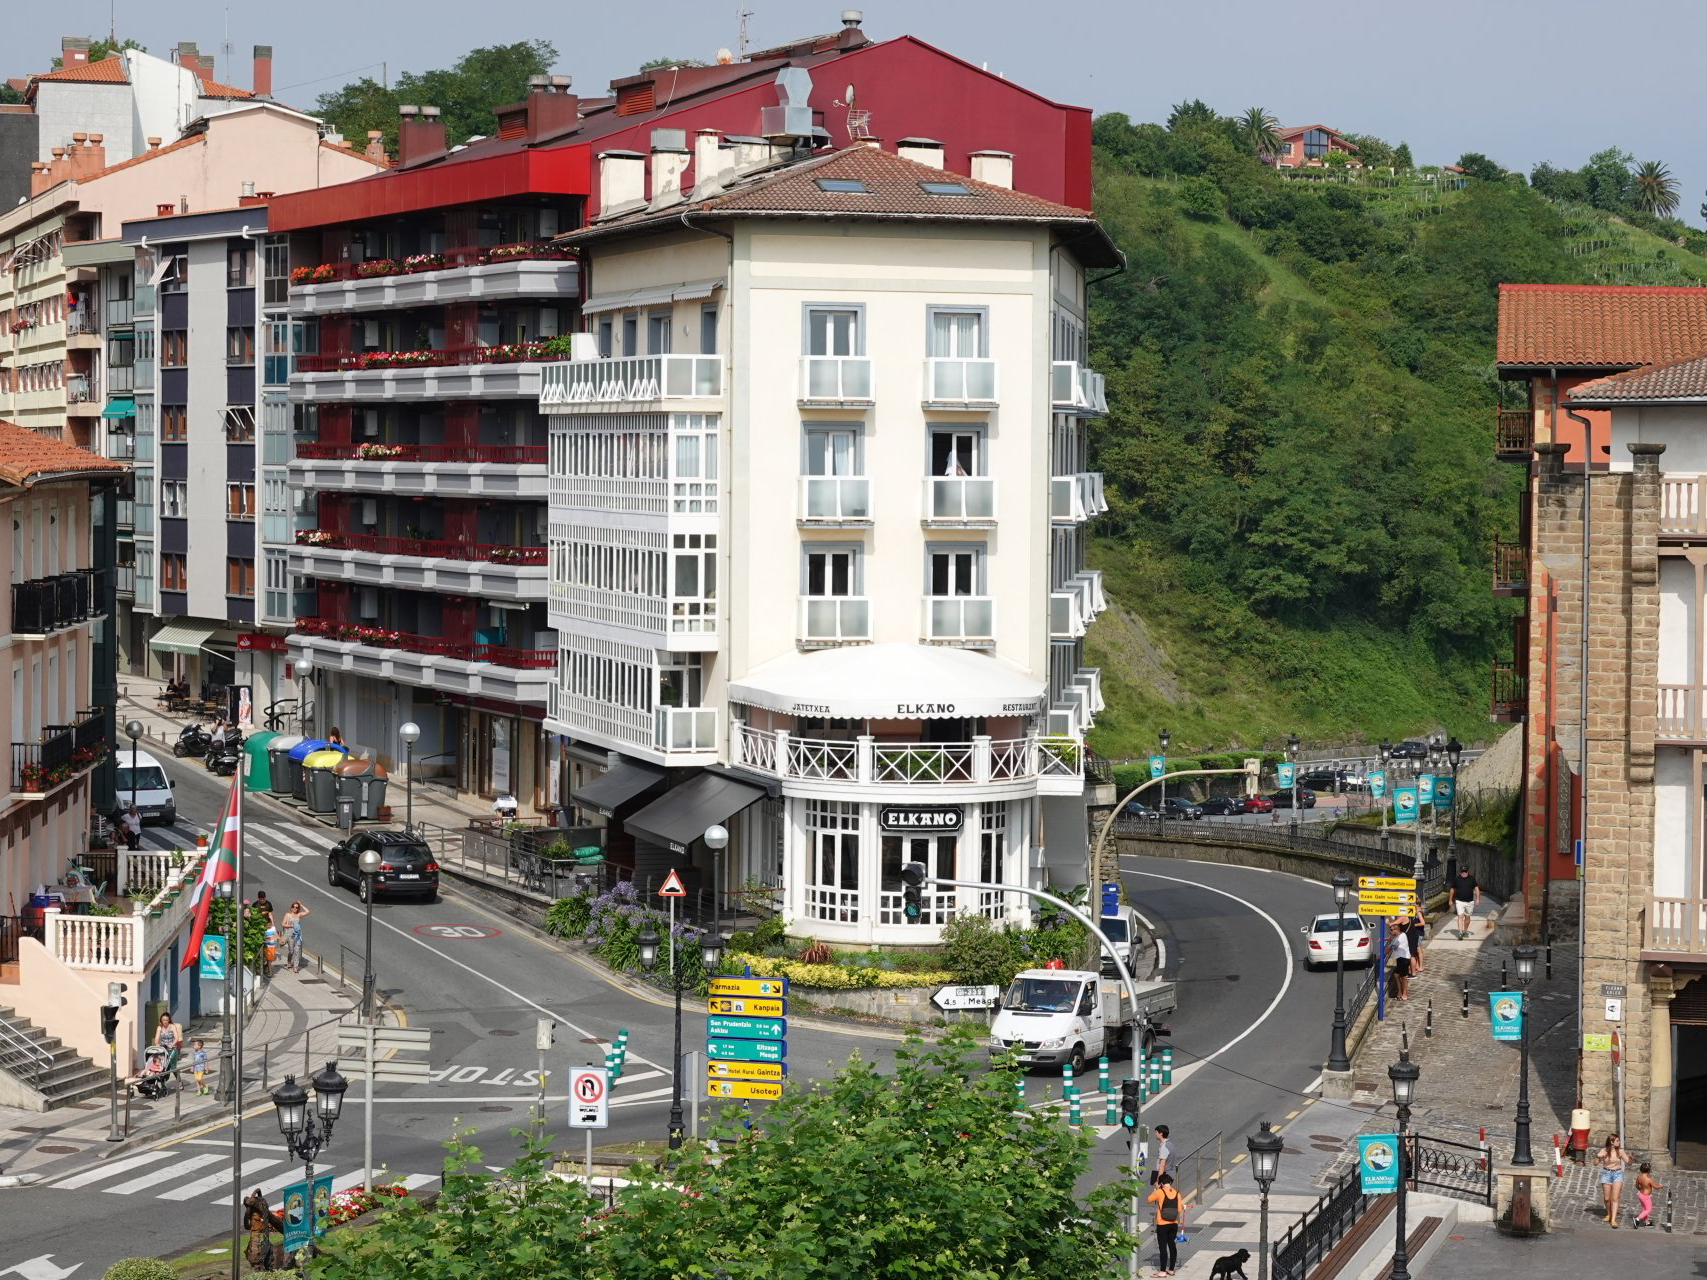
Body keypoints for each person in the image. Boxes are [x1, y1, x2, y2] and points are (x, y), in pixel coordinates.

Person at [1146, 1171, 1185, 1276]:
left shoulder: (1159, 1192)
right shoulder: (1177, 1193)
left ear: (1161, 1183)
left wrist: (1156, 1189)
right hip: (1173, 1223)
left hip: (1162, 1224)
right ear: (1170, 1182)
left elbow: (1148, 1200)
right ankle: (1171, 1269)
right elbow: (1180, 1209)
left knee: (1163, 1247)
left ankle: (1162, 1271)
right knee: (1172, 1245)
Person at [1598, 1133, 1633, 1225]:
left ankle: (1613, 1220)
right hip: (1606, 1173)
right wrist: (1598, 1156)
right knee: (1606, 1198)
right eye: (1617, 1140)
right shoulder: (1604, 1150)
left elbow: (1628, 1162)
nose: (1619, 1142)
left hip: (1617, 1174)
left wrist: (1631, 1159)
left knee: (1615, 1198)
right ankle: (1609, 1214)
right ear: (1612, 1142)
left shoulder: (1620, 1151)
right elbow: (1595, 1163)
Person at [1451, 867, 1481, 939]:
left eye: (1465, 871)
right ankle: (1460, 933)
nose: (1464, 873)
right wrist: (1450, 900)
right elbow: (1452, 889)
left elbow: (1476, 889)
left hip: (1469, 902)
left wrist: (1477, 899)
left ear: (1468, 871)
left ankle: (1465, 931)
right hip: (1459, 901)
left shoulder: (1472, 879)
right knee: (1460, 916)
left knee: (1467, 917)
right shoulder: (1456, 879)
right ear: (1460, 872)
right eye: (1462, 871)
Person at [281, 900, 310, 973]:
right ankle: (289, 962)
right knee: (291, 951)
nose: (295, 908)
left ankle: (295, 967)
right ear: (291, 907)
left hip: (297, 936)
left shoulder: (299, 915)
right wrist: (291, 926)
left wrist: (301, 904)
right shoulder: (287, 915)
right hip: (290, 935)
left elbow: (307, 911)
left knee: (297, 951)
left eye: (297, 907)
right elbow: (283, 924)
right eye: (293, 907)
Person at [1634, 1162, 1662, 1228]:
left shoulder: (1639, 1177)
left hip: (1640, 1195)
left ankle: (1647, 1223)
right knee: (1648, 1210)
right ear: (1649, 1171)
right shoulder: (1649, 1180)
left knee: (1644, 1209)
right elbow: (1655, 1186)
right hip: (1646, 1197)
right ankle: (1637, 1219)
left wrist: (1640, 1189)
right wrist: (1660, 1186)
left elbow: (1636, 1185)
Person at [1389, 918, 1412, 1002]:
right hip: (1400, 959)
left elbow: (1392, 947)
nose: (1390, 931)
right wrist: (1387, 939)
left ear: (1396, 930)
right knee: (1396, 975)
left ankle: (1404, 994)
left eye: (1391, 930)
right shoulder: (1401, 935)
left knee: (1403, 977)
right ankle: (1399, 992)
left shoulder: (1399, 938)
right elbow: (1392, 941)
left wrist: (1381, 956)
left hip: (1403, 959)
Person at [1405, 908, 1426, 976]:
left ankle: (1420, 967)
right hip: (1415, 934)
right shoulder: (1412, 912)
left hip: (1418, 934)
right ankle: (1417, 966)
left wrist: (1413, 925)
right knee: (1416, 951)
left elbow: (1423, 923)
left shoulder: (1418, 912)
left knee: (1418, 950)